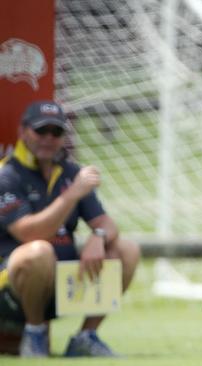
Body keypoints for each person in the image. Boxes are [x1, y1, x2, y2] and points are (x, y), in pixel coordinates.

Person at [0, 100, 140, 357]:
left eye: (56, 132)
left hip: (64, 283)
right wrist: (73, 194)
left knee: (126, 249)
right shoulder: (7, 174)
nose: (48, 139)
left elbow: (106, 224)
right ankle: (34, 334)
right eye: (41, 131)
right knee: (38, 251)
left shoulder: (69, 171)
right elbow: (28, 234)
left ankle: (85, 337)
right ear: (23, 132)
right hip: (11, 290)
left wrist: (97, 237)